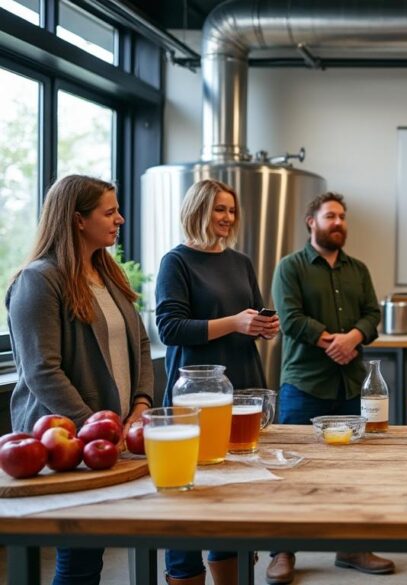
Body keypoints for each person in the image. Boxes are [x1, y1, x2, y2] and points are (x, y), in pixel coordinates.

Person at [6, 175, 154, 585]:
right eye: (109, 212)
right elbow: (41, 371)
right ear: (77, 220)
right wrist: (97, 427)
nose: (120, 219)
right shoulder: (38, 281)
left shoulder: (109, 275)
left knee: (93, 555)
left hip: (113, 437)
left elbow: (141, 345)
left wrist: (140, 408)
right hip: (66, 439)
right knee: (79, 557)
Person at [155, 179, 279, 585]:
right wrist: (235, 322)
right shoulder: (176, 262)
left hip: (242, 388)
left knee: (235, 494)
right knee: (189, 495)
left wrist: (263, 327)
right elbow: (170, 328)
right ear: (197, 211)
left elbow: (249, 316)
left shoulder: (240, 261)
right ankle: (185, 573)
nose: (227, 218)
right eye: (218, 209)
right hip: (195, 395)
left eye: (231, 210)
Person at [268, 192, 393, 584]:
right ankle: (282, 551)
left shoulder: (358, 269)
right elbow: (290, 318)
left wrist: (352, 338)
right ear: (312, 222)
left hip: (350, 383)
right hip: (304, 382)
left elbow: (373, 314)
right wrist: (332, 342)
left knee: (353, 471)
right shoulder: (290, 267)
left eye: (342, 217)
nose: (338, 222)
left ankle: (351, 547)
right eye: (330, 216)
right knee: (290, 470)